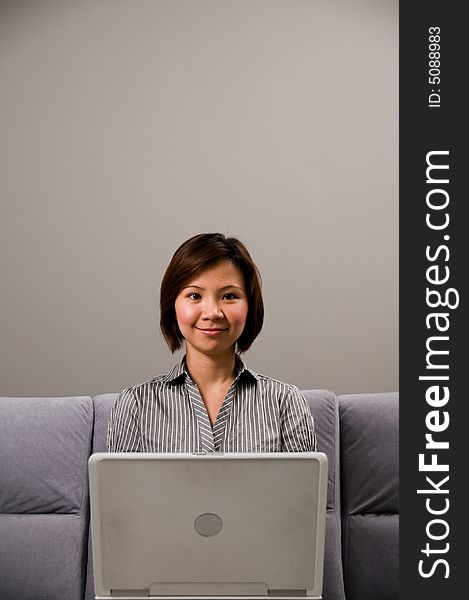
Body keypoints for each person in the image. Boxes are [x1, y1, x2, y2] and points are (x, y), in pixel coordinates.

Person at [107, 232, 317, 453]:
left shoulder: (285, 402)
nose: (212, 313)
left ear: (250, 305)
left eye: (229, 296)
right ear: (172, 305)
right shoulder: (136, 405)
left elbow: (305, 488)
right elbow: (119, 488)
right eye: (195, 296)